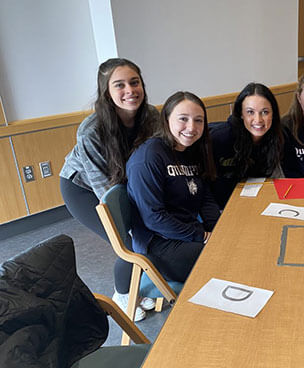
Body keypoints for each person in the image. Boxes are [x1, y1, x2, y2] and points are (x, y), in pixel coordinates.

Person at [59, 58, 159, 321]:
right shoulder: (90, 131)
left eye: (134, 82)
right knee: (125, 240)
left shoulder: (152, 116)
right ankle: (122, 295)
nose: (130, 90)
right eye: (120, 85)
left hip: (120, 184)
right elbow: (106, 191)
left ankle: (136, 289)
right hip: (82, 188)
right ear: (107, 92)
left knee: (143, 230)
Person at [126, 91, 220, 283]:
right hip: (160, 244)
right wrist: (201, 235)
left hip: (187, 233)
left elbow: (205, 198)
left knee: (235, 243)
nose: (191, 127)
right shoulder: (149, 157)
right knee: (226, 258)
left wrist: (217, 229)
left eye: (199, 120)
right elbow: (153, 218)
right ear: (167, 119)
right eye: (183, 119)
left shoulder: (191, 151)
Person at [209, 83, 284, 209]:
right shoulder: (219, 138)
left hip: (255, 204)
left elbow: (275, 180)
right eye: (250, 112)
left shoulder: (277, 136)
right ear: (241, 114)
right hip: (220, 209)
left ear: (273, 113)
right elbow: (204, 187)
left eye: (265, 112)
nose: (258, 119)